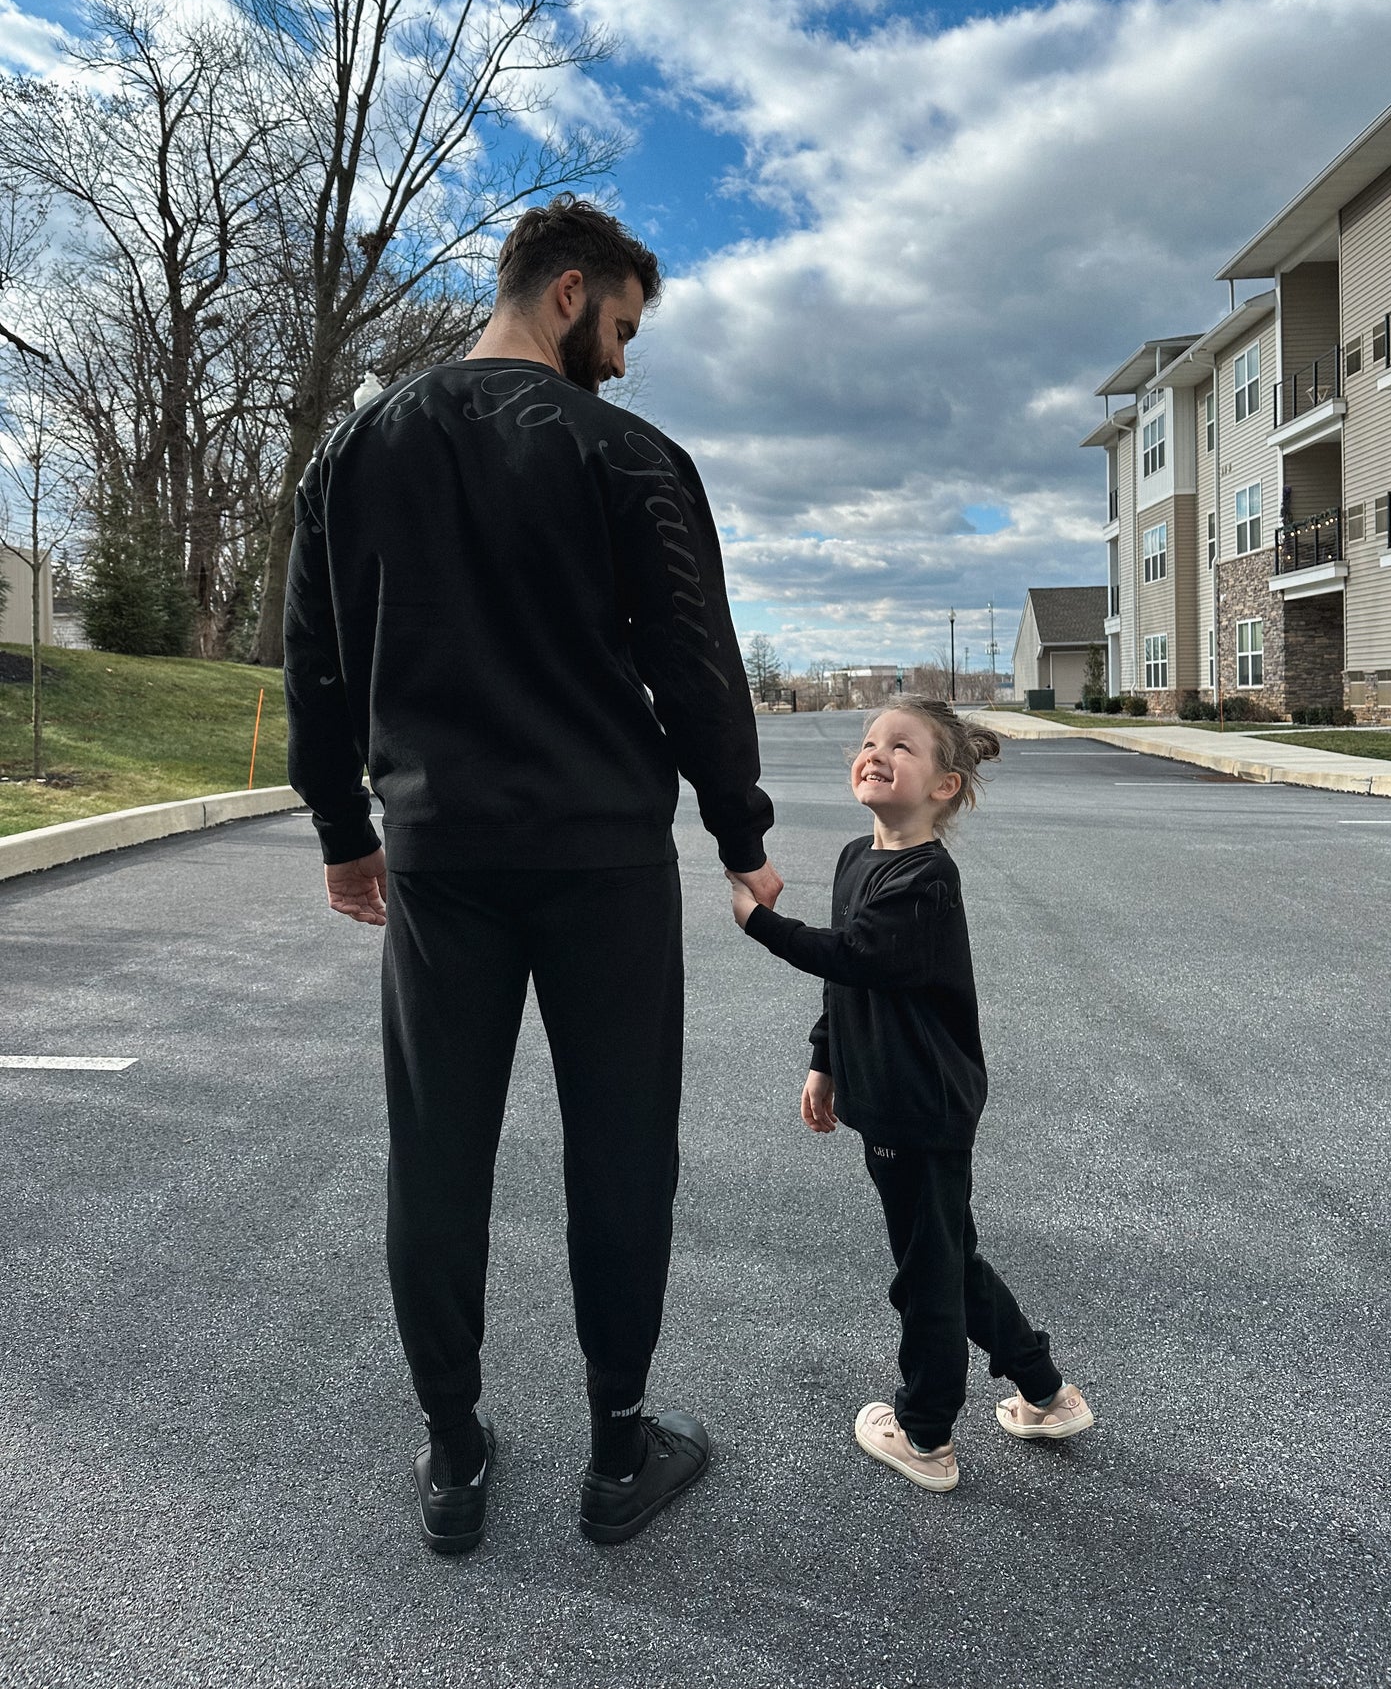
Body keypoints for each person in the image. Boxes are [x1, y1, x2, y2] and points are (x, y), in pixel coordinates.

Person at [285, 195, 782, 1553]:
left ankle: (453, 1454)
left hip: (442, 856)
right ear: (568, 291)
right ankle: (618, 1451)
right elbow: (695, 665)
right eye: (618, 324)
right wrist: (741, 837)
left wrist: (342, 825)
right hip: (603, 859)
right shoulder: (625, 453)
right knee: (622, 1149)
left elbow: (315, 654)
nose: (622, 354)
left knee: (433, 1153)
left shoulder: (355, 447)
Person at [729, 697, 1092, 1492]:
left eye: (903, 746)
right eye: (868, 741)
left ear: (943, 786)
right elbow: (847, 979)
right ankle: (1043, 1390)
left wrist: (757, 919)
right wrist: (825, 1059)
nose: (875, 751)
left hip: (919, 1106)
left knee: (925, 1273)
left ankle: (925, 1434)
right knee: (947, 1256)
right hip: (888, 1095)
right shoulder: (860, 856)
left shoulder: (926, 878)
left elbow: (851, 952)